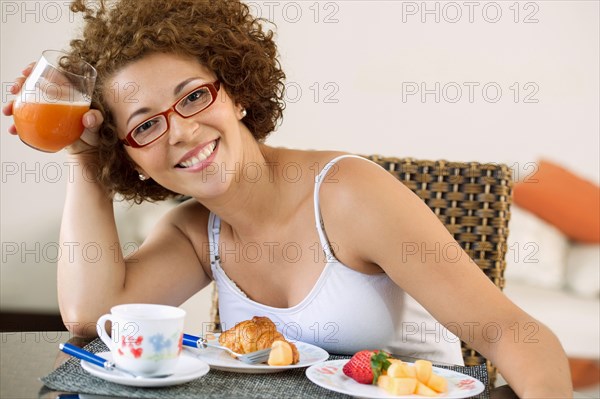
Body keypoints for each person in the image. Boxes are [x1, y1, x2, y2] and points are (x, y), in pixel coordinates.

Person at [3, 0, 572, 396]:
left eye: (194, 97)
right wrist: (85, 158)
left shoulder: (350, 196)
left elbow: (511, 334)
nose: (179, 131)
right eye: (145, 126)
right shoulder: (195, 232)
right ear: (132, 158)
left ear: (238, 95)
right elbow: (90, 318)